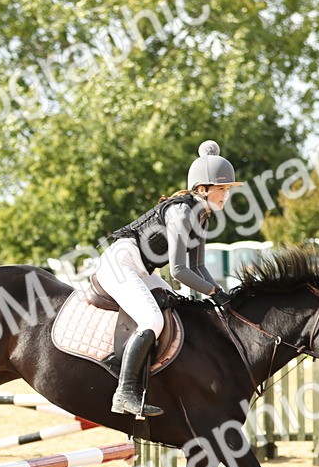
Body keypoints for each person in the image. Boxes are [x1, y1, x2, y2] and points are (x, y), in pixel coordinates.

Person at [95, 140, 242, 417]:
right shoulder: (182, 213)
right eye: (222, 189)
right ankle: (124, 392)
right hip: (120, 263)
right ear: (202, 189)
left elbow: (198, 266)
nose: (226, 194)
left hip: (142, 269)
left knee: (175, 307)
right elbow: (178, 271)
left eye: (228, 189)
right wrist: (213, 292)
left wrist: (220, 293)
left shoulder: (203, 216)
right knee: (152, 319)